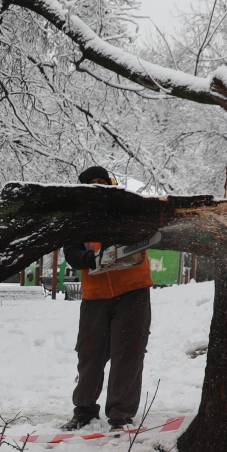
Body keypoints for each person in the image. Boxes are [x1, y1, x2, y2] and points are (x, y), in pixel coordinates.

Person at [61, 166, 153, 431]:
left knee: (128, 353)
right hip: (95, 294)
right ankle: (84, 410)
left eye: (102, 181)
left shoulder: (127, 208)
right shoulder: (77, 218)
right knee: (89, 353)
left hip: (133, 289)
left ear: (110, 184)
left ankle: (121, 415)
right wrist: (92, 259)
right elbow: (72, 253)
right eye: (92, 183)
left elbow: (146, 233)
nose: (98, 186)